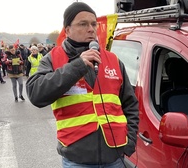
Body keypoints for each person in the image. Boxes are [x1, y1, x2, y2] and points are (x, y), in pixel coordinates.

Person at [26, 2, 139, 168]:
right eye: (83, 24)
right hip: (77, 159)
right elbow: (35, 94)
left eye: (93, 24)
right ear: (67, 30)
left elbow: (130, 105)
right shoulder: (52, 59)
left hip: (115, 157)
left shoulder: (113, 60)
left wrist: (129, 142)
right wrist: (78, 66)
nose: (91, 29)